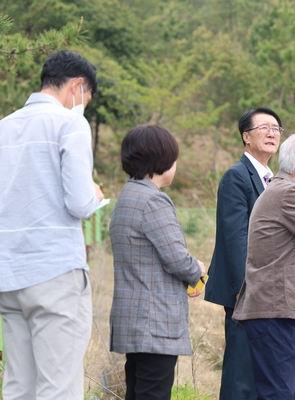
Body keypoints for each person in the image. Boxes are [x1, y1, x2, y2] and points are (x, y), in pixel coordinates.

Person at [0, 50, 104, 399]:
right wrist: (94, 193)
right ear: (77, 86)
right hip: (54, 271)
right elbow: (79, 203)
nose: (83, 107)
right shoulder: (70, 123)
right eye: (85, 99)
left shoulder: (0, 129)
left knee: (19, 387)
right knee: (58, 387)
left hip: (8, 275)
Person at [233, 132, 295, 400]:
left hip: (269, 310)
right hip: (274, 311)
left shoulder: (276, 190)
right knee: (279, 394)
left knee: (275, 391)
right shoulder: (290, 194)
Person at [109, 125, 207, 400]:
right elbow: (176, 258)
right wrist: (195, 270)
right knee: (154, 393)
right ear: (161, 161)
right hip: (155, 323)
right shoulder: (153, 201)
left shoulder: (127, 196)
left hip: (134, 319)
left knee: (138, 392)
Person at [204, 107, 282, 399]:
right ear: (246, 137)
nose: (272, 133)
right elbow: (235, 235)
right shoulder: (237, 176)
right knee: (240, 373)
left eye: (276, 128)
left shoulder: (272, 179)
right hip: (246, 293)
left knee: (260, 371)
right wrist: (244, 289)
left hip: (269, 292)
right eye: (264, 127)